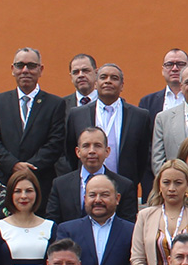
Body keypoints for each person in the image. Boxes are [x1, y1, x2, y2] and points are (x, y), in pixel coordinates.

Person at [0, 48, 67, 208]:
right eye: (20, 65)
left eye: (31, 66)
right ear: (12, 69)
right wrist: (13, 165)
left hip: (41, 183)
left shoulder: (55, 104)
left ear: (40, 70)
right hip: (5, 181)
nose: (25, 70)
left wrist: (30, 167)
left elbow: (56, 142)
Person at [64, 63, 153, 192]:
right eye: (103, 77)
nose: (108, 81)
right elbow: (71, 154)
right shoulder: (77, 114)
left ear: (122, 85)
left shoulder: (139, 116)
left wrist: (130, 182)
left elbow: (142, 157)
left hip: (124, 189)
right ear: (95, 83)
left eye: (114, 78)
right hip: (86, 189)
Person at [49, 127, 137, 223]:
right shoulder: (60, 185)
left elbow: (128, 225)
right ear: (78, 152)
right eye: (86, 146)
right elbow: (53, 223)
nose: (92, 151)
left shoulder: (124, 186)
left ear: (107, 151)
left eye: (97, 146)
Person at [138, 48, 188, 122]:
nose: (174, 69)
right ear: (162, 70)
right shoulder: (148, 102)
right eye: (169, 64)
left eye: (180, 64)